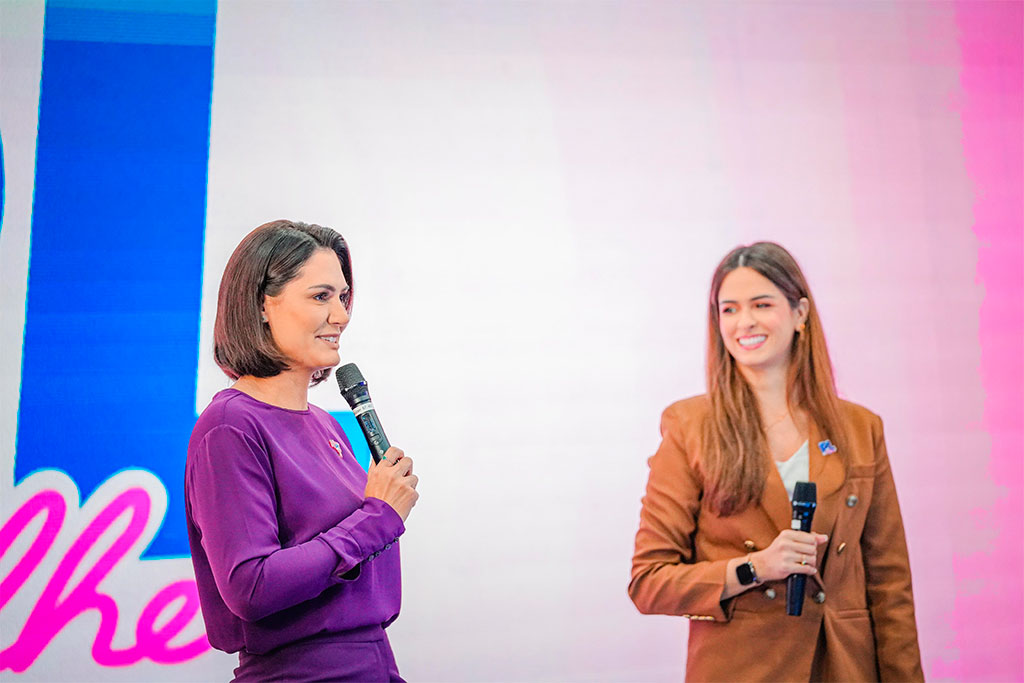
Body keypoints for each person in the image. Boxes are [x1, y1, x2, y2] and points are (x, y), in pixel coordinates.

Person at [629, 242, 922, 682]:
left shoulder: (861, 428)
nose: (744, 322)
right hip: (743, 668)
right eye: (729, 310)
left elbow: (890, 586)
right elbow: (649, 581)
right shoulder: (690, 425)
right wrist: (754, 568)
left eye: (761, 304)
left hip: (844, 667)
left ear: (799, 313)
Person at [185, 220, 419, 682]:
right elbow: (250, 586)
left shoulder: (326, 424)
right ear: (262, 305)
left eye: (342, 297)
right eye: (320, 296)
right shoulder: (230, 426)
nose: (342, 315)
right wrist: (378, 517)